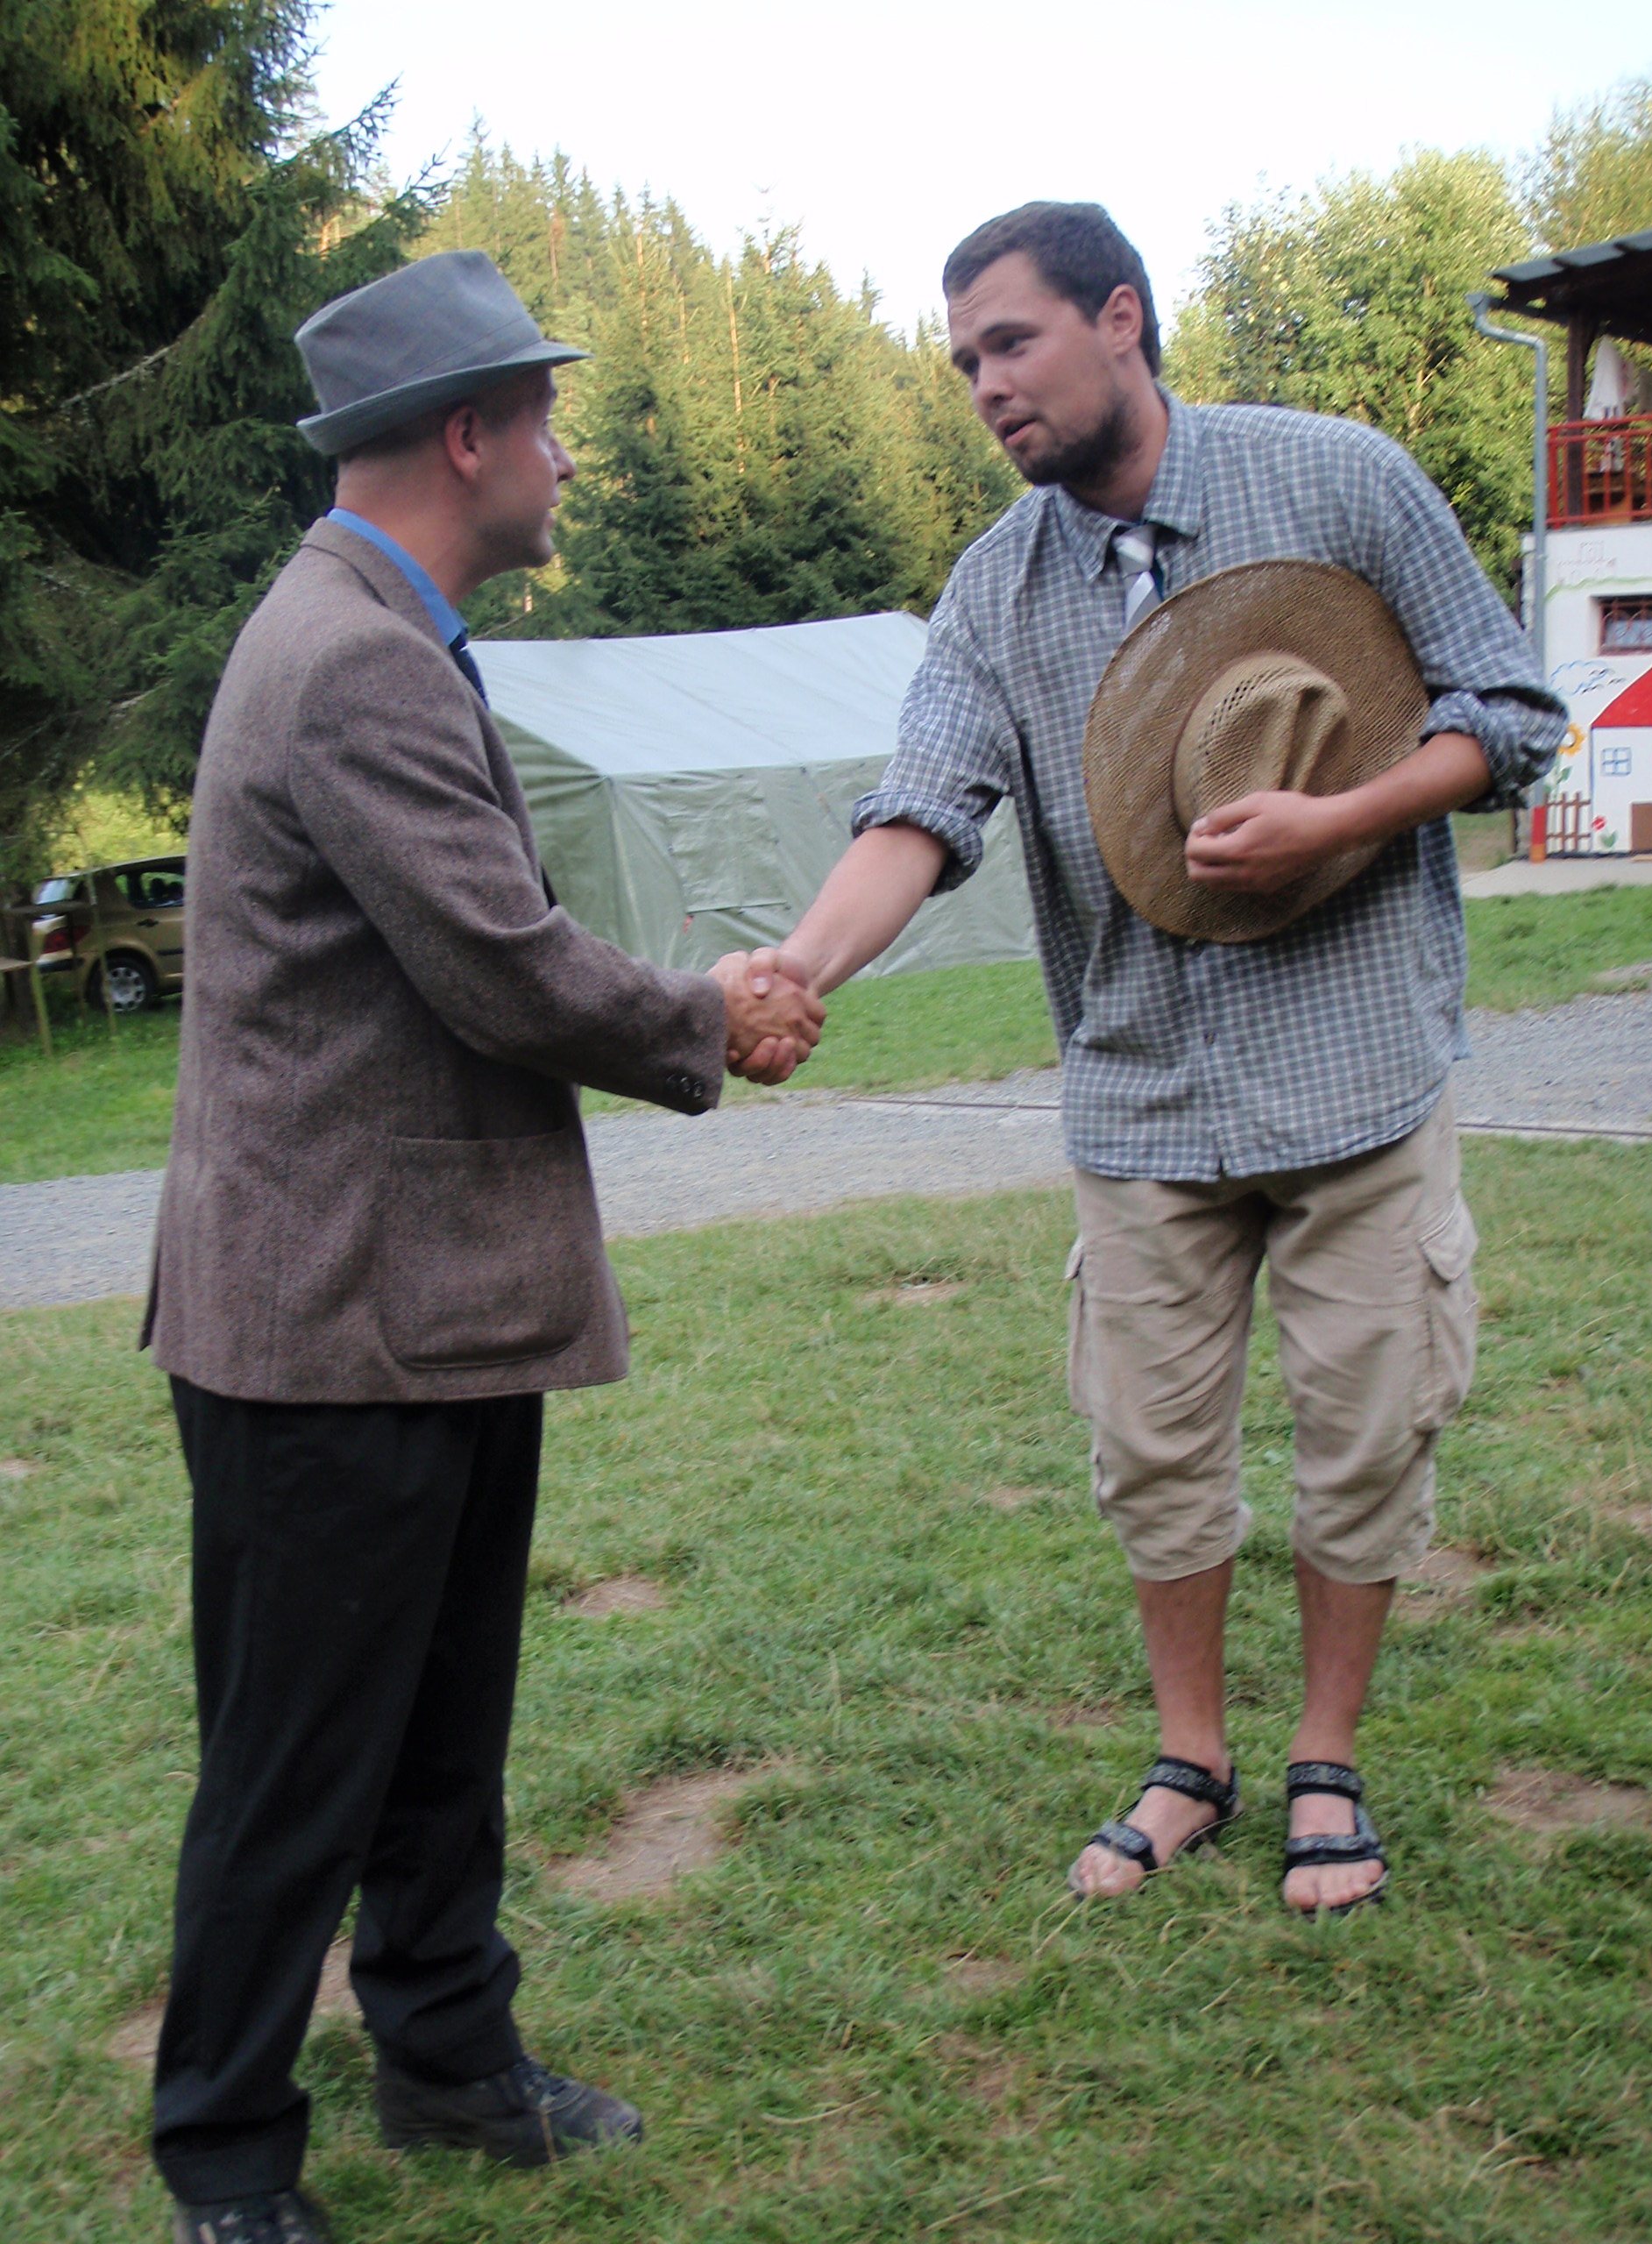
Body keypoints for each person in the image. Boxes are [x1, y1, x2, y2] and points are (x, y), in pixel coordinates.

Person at [740, 202, 1563, 1920]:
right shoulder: (997, 588)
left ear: (1120, 318)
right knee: (1154, 1452)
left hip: (1355, 1070)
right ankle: (1193, 1757)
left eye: (1012, 342)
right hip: (1140, 1097)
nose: (987, 386)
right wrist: (798, 970)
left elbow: (1509, 715)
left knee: (1367, 1430)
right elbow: (924, 805)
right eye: (964, 361)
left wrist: (1344, 813)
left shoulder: (1336, 481)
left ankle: (1326, 1755)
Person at [142, 250, 823, 2244]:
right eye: (544, 418)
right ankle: (224, 2153)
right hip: (328, 1329)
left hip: (403, 1308)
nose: (564, 453)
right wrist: (709, 1016)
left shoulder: (368, 628)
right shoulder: (351, 656)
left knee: (439, 1732)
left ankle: (445, 2052)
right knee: (296, 1765)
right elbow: (504, 968)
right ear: (464, 437)